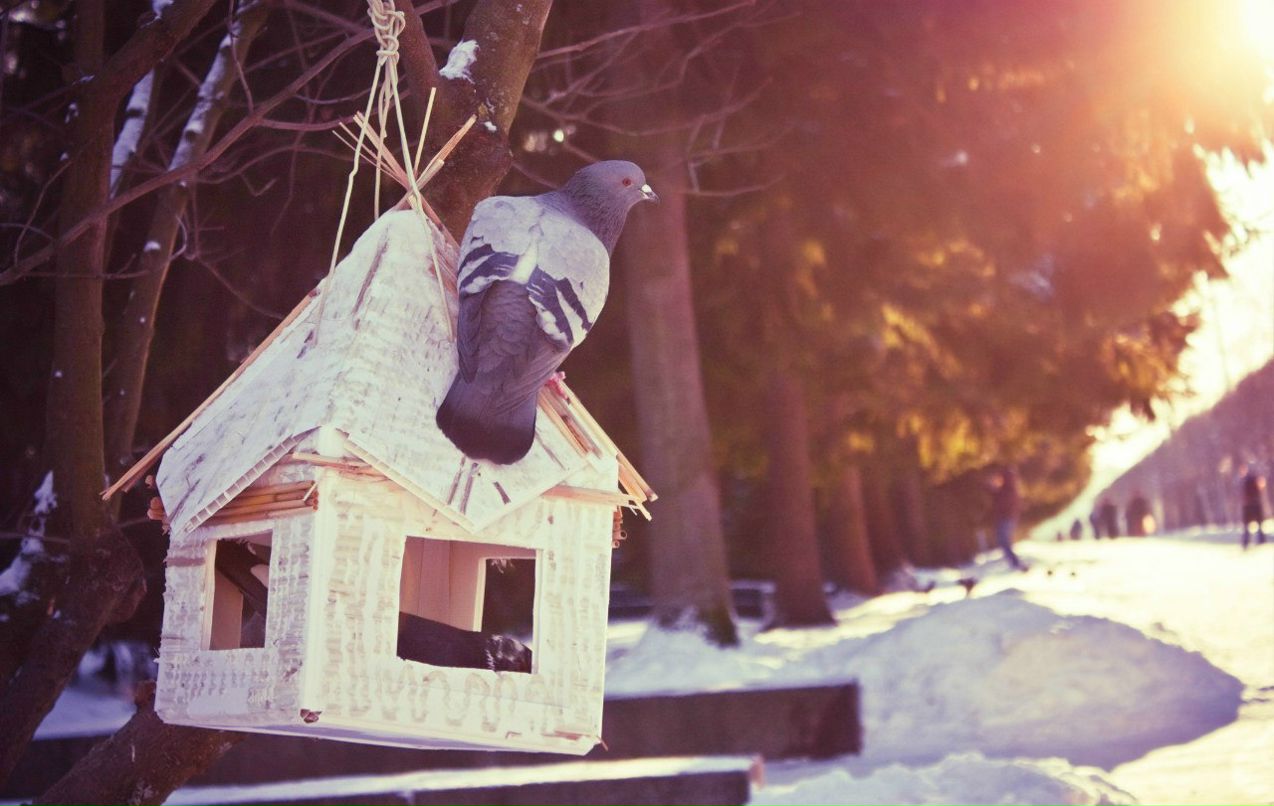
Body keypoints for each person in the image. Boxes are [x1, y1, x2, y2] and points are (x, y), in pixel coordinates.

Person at [989, 467, 1026, 570]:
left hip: (1005, 519)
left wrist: (993, 491)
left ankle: (1015, 563)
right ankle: (1014, 563)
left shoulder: (1007, 490)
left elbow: (1001, 503)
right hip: (1008, 519)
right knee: (1004, 542)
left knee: (1004, 542)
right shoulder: (1011, 489)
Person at [1240, 464, 1267, 549]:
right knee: (1258, 524)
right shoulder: (1255, 479)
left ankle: (1246, 542)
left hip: (1248, 505)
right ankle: (1260, 540)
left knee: (1247, 526)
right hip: (1255, 504)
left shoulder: (1245, 480)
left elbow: (1243, 494)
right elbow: (1261, 488)